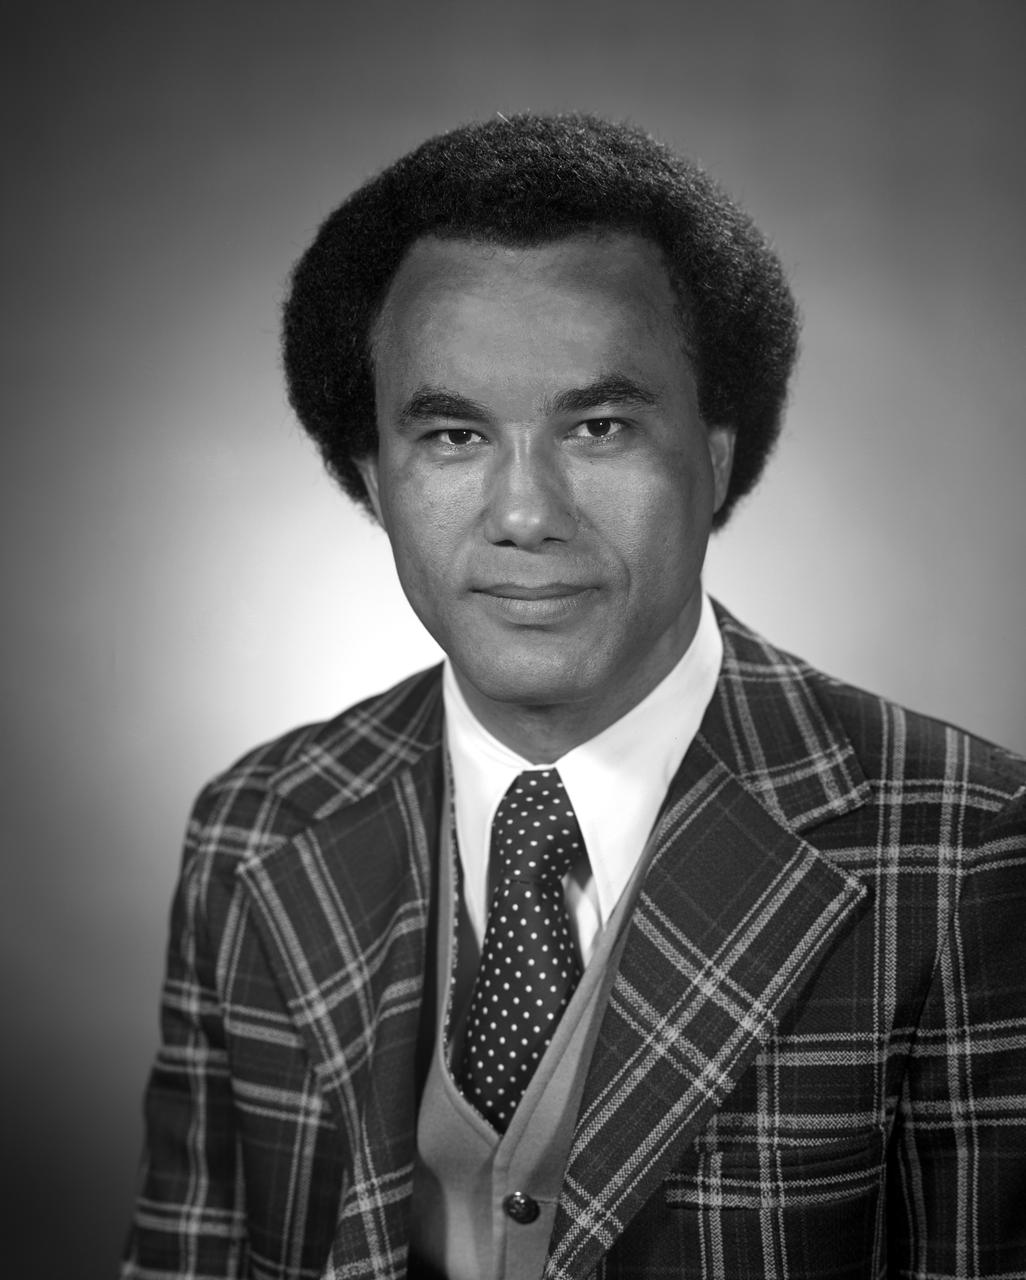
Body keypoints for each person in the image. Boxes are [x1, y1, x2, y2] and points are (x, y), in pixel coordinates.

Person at [122, 114, 1026, 1280]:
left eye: (599, 427)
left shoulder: (966, 843)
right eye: (453, 434)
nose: (524, 512)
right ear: (373, 479)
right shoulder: (251, 825)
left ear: (715, 452)